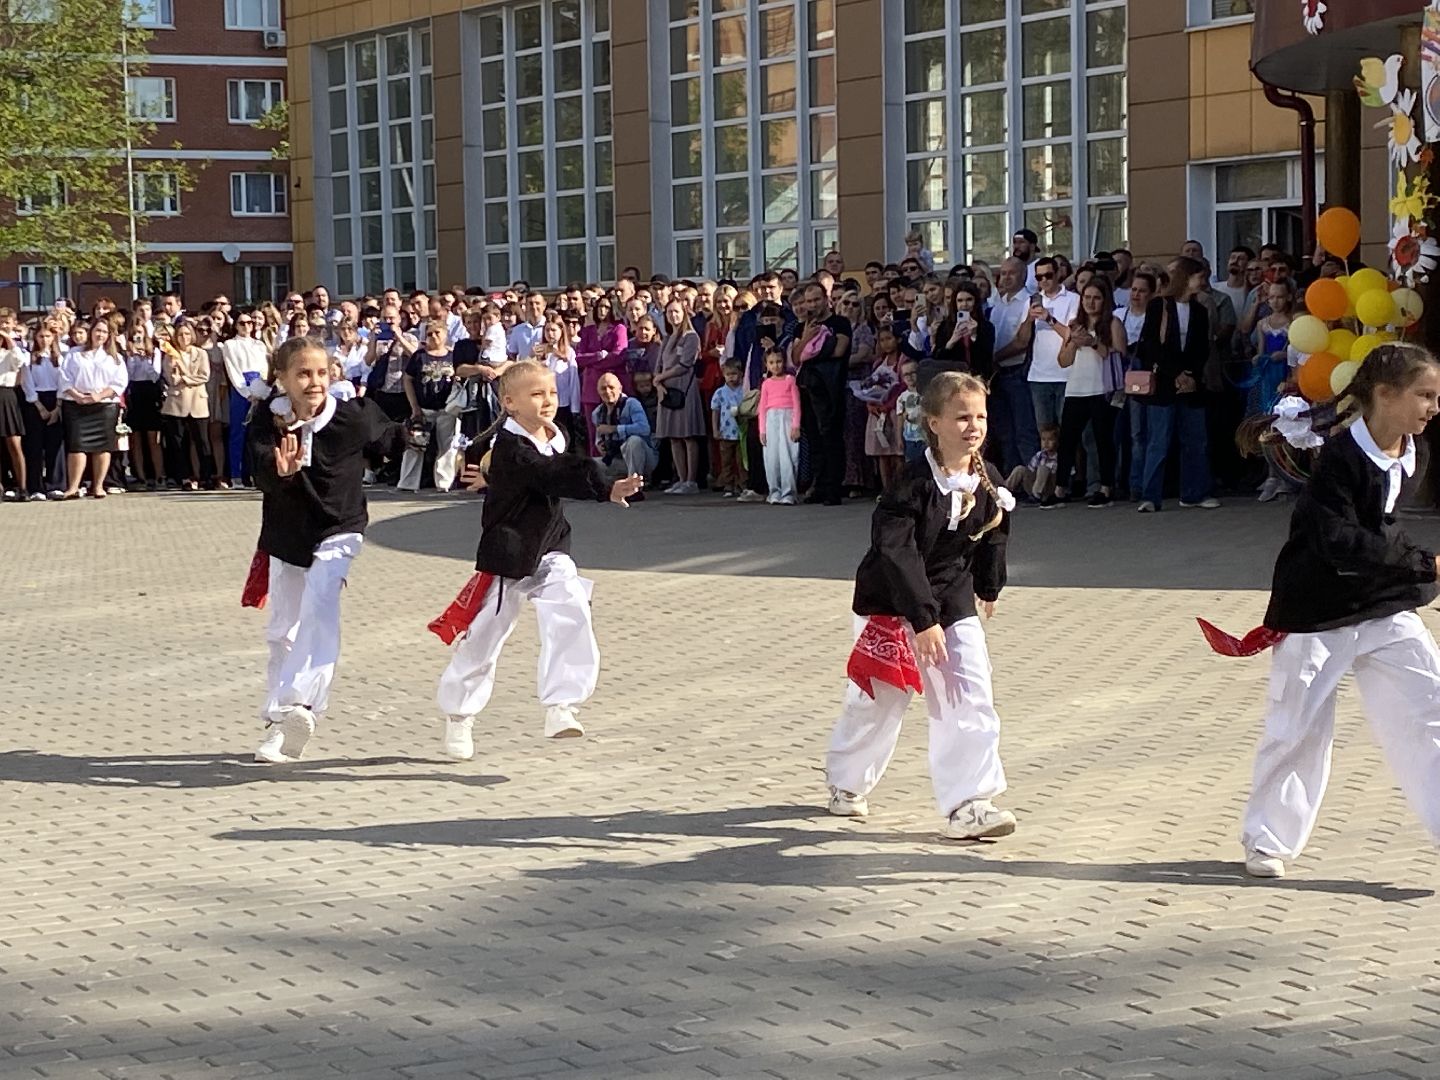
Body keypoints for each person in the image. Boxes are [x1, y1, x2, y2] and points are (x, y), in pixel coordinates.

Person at [1206, 344, 1440, 879]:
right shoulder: (1337, 459)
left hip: (1382, 605)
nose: (1434, 407)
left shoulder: (1413, 450)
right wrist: (1425, 564)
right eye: (1425, 395)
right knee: (1298, 727)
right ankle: (1268, 839)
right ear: (1384, 395)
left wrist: (1414, 569)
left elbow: (1381, 525)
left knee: (1430, 708)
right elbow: (1338, 539)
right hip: (1316, 608)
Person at [825, 371, 1017, 839]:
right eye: (961, 417)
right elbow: (897, 553)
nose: (973, 427)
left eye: (980, 416)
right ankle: (846, 783)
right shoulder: (909, 486)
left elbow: (995, 530)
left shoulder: (987, 477)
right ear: (933, 422)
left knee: (970, 692)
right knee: (881, 699)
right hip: (892, 600)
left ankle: (970, 803)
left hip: (950, 597)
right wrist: (922, 619)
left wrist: (988, 587)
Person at [432, 360, 643, 760]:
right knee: (485, 638)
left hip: (550, 546)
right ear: (509, 402)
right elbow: (545, 474)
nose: (548, 401)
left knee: (571, 606)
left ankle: (562, 705)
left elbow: (550, 469)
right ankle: (459, 716)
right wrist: (604, 488)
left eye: (551, 392)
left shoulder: (556, 436)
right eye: (536, 394)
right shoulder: (512, 447)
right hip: (509, 553)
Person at [246, 336, 407, 764]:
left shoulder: (352, 415)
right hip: (288, 534)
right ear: (281, 379)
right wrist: (275, 470)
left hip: (342, 527)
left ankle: (299, 704)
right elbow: (256, 465)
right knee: (283, 630)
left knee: (321, 600)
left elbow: (392, 439)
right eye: (302, 373)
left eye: (321, 372)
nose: (314, 382)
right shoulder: (268, 417)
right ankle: (282, 718)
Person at [1131, 256, 1215, 513]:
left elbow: (1202, 346)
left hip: (1191, 385)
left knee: (1195, 440)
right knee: (1159, 439)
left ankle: (1193, 493)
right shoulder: (1159, 306)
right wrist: (1176, 373)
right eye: (1198, 276)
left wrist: (1190, 374)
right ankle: (1150, 495)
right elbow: (1152, 346)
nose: (1201, 281)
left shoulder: (1200, 310)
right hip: (1165, 385)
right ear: (1185, 277)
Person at [1045, 280, 1124, 509]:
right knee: (1067, 440)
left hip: (1102, 389)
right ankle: (1060, 488)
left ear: (1105, 300)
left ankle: (1106, 487)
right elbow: (1063, 361)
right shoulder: (1074, 324)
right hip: (1076, 388)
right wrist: (1072, 343)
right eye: (1087, 297)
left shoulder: (1113, 323)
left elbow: (1119, 355)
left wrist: (1092, 342)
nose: (1090, 302)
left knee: (1102, 440)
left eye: (1096, 297)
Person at [791, 282, 852, 505]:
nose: (812, 305)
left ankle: (833, 488)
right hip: (808, 388)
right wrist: (807, 338)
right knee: (814, 439)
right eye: (808, 301)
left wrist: (813, 353)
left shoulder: (840, 323)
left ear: (827, 299)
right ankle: (819, 485)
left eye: (816, 300)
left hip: (831, 388)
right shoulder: (802, 327)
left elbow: (838, 350)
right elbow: (796, 358)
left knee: (831, 438)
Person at [57, 320, 128, 500]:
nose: (101, 335)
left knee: (102, 447)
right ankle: (73, 487)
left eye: (105, 332)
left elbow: (119, 382)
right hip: (76, 404)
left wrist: (100, 395)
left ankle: (98, 486)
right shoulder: (74, 353)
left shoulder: (114, 357)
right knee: (77, 446)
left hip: (104, 406)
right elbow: (64, 378)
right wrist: (78, 395)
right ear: (91, 332)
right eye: (98, 330)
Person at [399, 320, 458, 493]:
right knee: (415, 445)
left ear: (445, 334)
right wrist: (414, 406)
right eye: (429, 333)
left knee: (446, 446)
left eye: (437, 333)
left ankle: (444, 483)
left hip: (447, 409)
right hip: (423, 408)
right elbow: (408, 379)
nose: (433, 337)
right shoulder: (419, 356)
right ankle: (407, 483)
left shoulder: (453, 356)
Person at [654, 298, 705, 494]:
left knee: (688, 436)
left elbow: (685, 365)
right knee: (674, 437)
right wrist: (658, 382)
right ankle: (681, 479)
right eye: (669, 312)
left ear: (684, 313)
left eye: (676, 311)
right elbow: (659, 364)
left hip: (683, 389)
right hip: (667, 391)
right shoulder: (667, 338)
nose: (673, 316)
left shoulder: (691, 337)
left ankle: (691, 480)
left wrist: (660, 378)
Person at [219, 312, 270, 488]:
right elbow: (233, 369)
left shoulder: (260, 345)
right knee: (238, 434)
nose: (247, 326)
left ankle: (254, 473)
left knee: (256, 434)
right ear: (236, 325)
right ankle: (236, 474)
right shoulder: (230, 345)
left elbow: (264, 370)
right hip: (241, 390)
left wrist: (261, 392)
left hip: (258, 389)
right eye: (243, 323)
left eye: (250, 323)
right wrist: (246, 392)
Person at [159, 322, 212, 491]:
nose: (184, 338)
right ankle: (184, 478)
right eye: (181, 335)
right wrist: (184, 377)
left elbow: (204, 376)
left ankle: (206, 476)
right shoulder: (170, 354)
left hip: (198, 402)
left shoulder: (201, 353)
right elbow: (171, 379)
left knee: (202, 441)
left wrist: (185, 378)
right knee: (178, 443)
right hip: (177, 402)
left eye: (187, 334)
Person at [574, 295, 629, 453]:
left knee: (612, 428)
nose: (602, 310)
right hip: (590, 385)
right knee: (593, 431)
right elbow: (578, 358)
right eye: (600, 307)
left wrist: (592, 363)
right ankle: (595, 465)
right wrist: (597, 356)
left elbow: (619, 355)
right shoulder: (588, 331)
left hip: (611, 384)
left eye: (606, 307)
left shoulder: (619, 329)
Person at [20, 324, 63, 500]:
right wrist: (39, 406)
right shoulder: (29, 359)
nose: (44, 340)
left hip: (56, 400)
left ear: (53, 338)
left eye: (47, 336)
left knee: (55, 445)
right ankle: (35, 486)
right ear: (35, 338)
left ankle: (55, 484)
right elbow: (27, 383)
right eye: (41, 337)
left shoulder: (59, 358)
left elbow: (64, 381)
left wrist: (57, 407)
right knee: (35, 446)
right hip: (35, 402)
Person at [591, 371, 656, 486]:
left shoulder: (631, 404)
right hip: (615, 458)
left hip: (643, 459)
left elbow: (644, 429)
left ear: (620, 388)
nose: (607, 392)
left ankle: (634, 487)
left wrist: (615, 429)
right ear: (598, 392)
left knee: (634, 441)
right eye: (603, 388)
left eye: (611, 387)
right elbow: (599, 436)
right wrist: (600, 444)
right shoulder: (597, 413)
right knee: (589, 464)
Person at [121, 325, 165, 490]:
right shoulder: (127, 354)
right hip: (135, 393)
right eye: (134, 334)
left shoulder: (154, 351)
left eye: (139, 333)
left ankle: (159, 475)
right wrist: (132, 358)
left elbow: (155, 375)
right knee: (136, 438)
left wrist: (145, 359)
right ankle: (141, 477)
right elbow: (128, 375)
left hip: (150, 392)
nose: (137, 337)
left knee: (153, 438)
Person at [757, 348, 801, 505]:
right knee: (771, 457)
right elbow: (762, 408)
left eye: (778, 361)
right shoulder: (766, 384)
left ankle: (789, 492)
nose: (775, 366)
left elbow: (796, 404)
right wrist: (762, 430)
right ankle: (774, 490)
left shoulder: (790, 380)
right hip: (771, 420)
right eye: (771, 363)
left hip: (787, 418)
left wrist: (796, 425)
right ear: (766, 365)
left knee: (788, 456)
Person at [709, 359, 747, 498]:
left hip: (740, 432)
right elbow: (715, 411)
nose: (731, 377)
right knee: (726, 461)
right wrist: (715, 429)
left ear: (741, 374)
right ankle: (728, 484)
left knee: (741, 460)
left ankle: (742, 484)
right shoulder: (720, 393)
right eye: (728, 374)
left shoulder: (744, 390)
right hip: (725, 432)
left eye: (734, 374)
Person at [0, 325, 28, 499]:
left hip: (6, 395)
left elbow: (20, 361)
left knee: (15, 444)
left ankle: (22, 487)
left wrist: (7, 337)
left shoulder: (9, 353)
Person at [1006, 425, 1059, 503]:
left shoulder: (1059, 457)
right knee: (1020, 469)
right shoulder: (1039, 455)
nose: (1046, 443)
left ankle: (1036, 495)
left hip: (1049, 488)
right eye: (1043, 440)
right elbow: (1030, 470)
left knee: (1043, 468)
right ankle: (1005, 490)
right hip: (1034, 484)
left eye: (1050, 440)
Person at [895, 359, 925, 466]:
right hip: (909, 439)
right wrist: (899, 438)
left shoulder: (926, 394)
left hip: (925, 438)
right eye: (906, 374)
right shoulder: (901, 398)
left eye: (913, 373)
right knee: (912, 466)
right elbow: (899, 420)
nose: (910, 377)